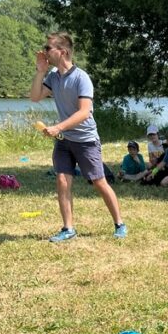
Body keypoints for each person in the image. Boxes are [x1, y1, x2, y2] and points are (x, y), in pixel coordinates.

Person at [29, 32, 127, 241]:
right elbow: (35, 97)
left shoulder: (81, 78)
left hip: (85, 140)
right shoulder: (53, 76)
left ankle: (119, 223)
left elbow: (84, 112)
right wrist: (40, 71)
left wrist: (58, 127)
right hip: (64, 140)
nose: (45, 51)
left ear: (62, 51)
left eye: (48, 48)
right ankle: (68, 229)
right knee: (62, 180)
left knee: (99, 182)